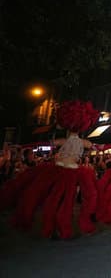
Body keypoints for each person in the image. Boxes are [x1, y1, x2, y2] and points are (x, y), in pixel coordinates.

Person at [0, 100, 99, 239]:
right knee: (67, 200)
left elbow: (42, 143)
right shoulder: (84, 142)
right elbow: (99, 147)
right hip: (72, 171)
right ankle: (60, 228)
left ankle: (52, 228)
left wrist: (22, 146)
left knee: (52, 199)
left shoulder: (64, 141)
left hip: (60, 170)